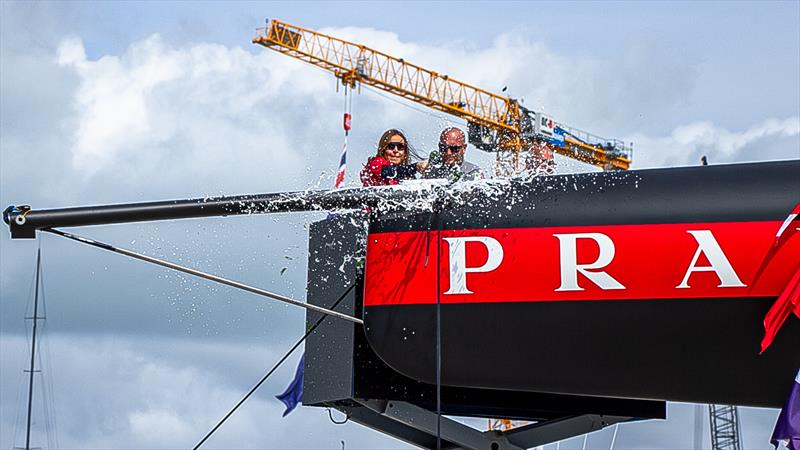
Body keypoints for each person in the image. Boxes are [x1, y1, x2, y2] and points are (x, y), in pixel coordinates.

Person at [360, 129, 428, 186]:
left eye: (400, 147)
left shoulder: (407, 175)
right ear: (383, 150)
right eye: (391, 146)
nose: (396, 150)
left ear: (405, 153)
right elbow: (391, 172)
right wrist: (416, 167)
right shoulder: (376, 164)